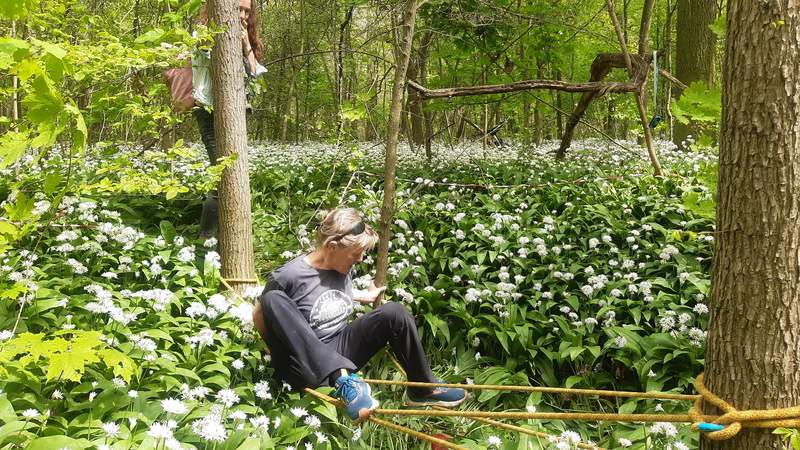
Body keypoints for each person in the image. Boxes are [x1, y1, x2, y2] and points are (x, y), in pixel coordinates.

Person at [252, 208, 466, 422]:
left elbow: (324, 294)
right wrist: (278, 353)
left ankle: (423, 389)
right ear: (332, 247)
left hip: (340, 348)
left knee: (395, 312)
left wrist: (363, 295)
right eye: (356, 254)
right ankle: (343, 381)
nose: (361, 258)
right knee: (272, 299)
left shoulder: (342, 266)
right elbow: (261, 314)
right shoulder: (288, 276)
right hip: (304, 365)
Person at [192, 0, 267, 237]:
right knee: (223, 177)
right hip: (209, 112)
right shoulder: (205, 32)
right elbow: (205, 52)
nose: (244, 15)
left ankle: (222, 240)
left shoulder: (247, 39)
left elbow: (255, 78)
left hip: (236, 114)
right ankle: (205, 245)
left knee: (233, 175)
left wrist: (246, 45)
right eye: (239, 10)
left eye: (247, 11)